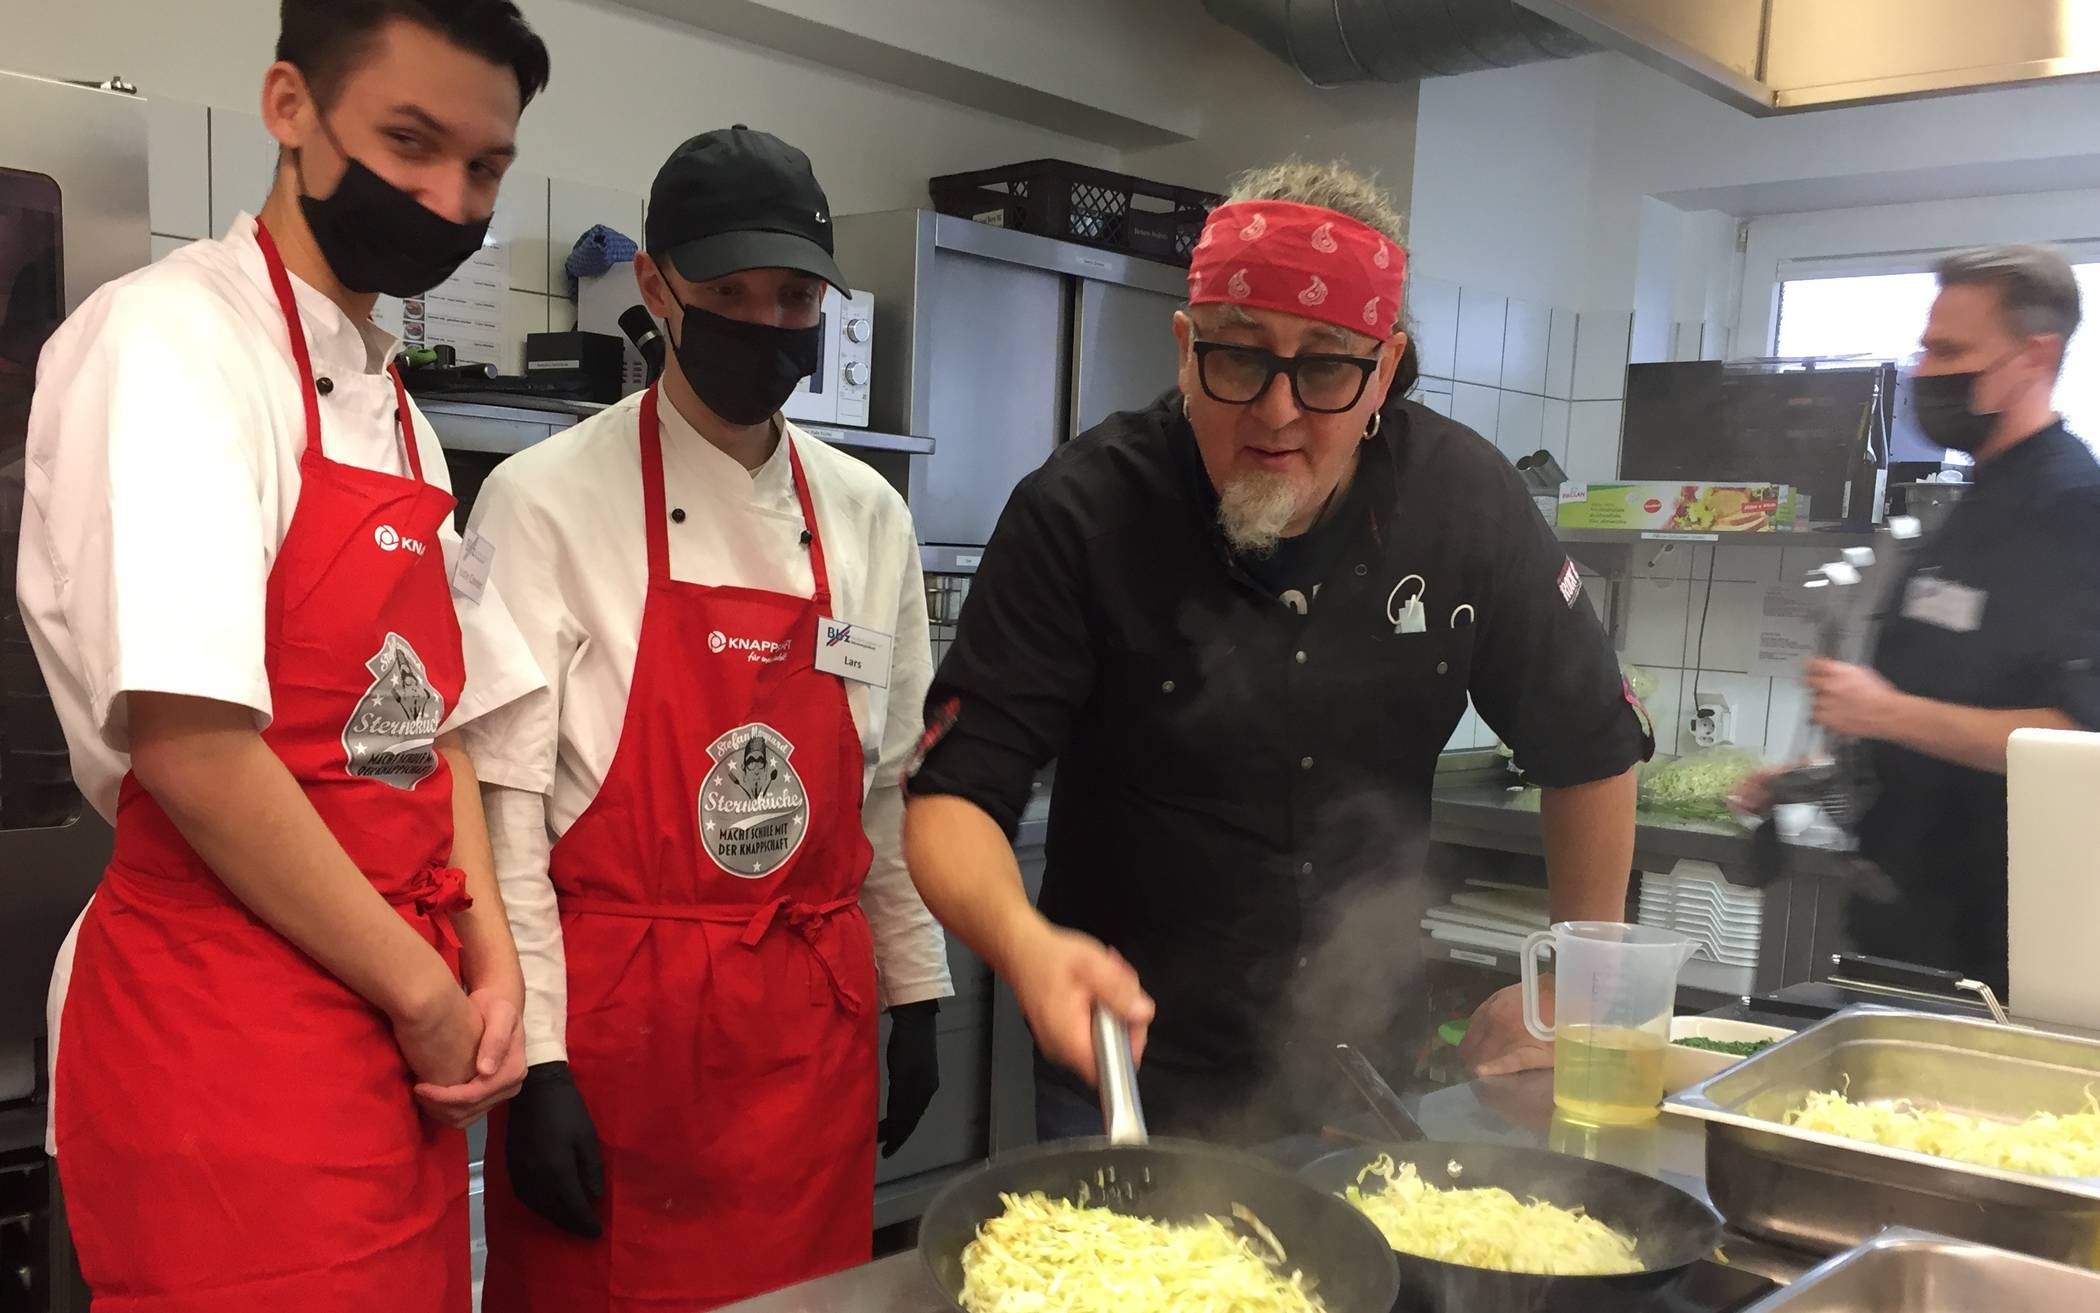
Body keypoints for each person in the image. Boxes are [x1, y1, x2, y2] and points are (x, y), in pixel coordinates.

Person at [903, 160, 1651, 1144]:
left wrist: (1572, 985)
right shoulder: (1082, 513)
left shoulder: (1463, 505)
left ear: (1385, 367)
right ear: (1185, 346)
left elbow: (1590, 744)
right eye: (1240, 355)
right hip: (1131, 1072)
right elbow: (953, 795)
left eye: (1329, 364)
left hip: (1366, 1076)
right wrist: (1029, 943)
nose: (1277, 409)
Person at [15, 2, 551, 1307]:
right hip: (226, 1031)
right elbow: (195, 750)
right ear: (290, 108)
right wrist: (426, 991)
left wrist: (490, 960)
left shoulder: (400, 415)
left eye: (483, 168)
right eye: (410, 140)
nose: (444, 194)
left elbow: (443, 725)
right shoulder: (171, 348)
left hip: (387, 1028)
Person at [465, 126, 954, 1313]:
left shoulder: (868, 514)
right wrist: (538, 1064)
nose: (765, 321)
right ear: (655, 286)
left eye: (793, 297)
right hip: (623, 1035)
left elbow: (883, 785)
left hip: (807, 1032)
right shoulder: (542, 500)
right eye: (728, 293)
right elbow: (503, 814)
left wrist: (917, 988)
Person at [1750, 245, 2098, 998]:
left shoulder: (2073, 510)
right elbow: (1943, 717)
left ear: (2035, 355)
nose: (1922, 370)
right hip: (1898, 933)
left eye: (1950, 350)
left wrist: (1885, 709)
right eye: (1925, 345)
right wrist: (1811, 778)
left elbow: (2076, 740)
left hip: (1992, 956)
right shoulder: (1972, 504)